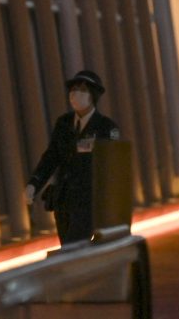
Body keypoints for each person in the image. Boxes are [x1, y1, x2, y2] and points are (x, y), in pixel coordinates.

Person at [25, 70, 120, 245]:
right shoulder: (63, 123)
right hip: (63, 200)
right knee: (68, 246)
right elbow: (51, 157)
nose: (76, 94)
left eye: (83, 90)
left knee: (74, 245)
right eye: (73, 89)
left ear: (93, 95)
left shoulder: (106, 127)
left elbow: (112, 169)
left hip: (88, 202)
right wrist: (34, 183)